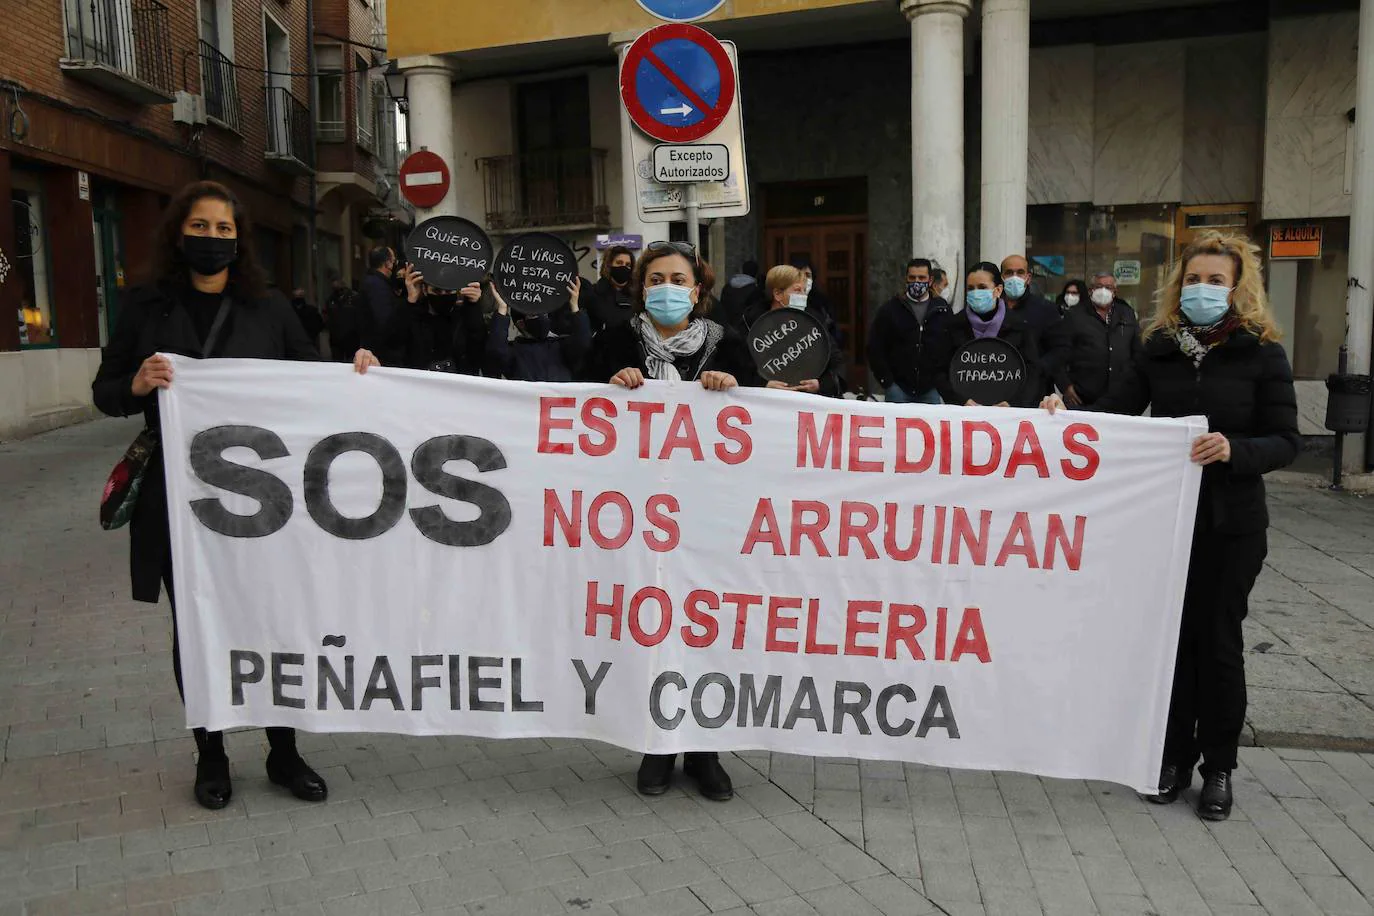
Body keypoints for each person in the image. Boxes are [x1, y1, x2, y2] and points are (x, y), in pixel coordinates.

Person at [91, 180, 380, 811]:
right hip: (178, 499)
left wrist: (357, 376)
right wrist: (136, 383)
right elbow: (105, 390)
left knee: (274, 619)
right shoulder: (145, 306)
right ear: (179, 233)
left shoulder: (270, 308)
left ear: (239, 240)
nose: (213, 239)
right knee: (194, 624)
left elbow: (312, 384)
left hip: (266, 503)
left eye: (224, 230)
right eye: (201, 227)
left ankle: (284, 749)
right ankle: (212, 752)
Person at [1042, 231, 1299, 821]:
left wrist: (1236, 449)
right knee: (1171, 644)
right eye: (1193, 278)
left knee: (1218, 643)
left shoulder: (1262, 351)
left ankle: (1220, 768)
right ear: (1177, 284)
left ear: (1238, 288)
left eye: (1215, 280)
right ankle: (1172, 758)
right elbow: (1118, 413)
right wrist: (1065, 415)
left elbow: (1285, 440)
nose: (1202, 289)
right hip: (1168, 523)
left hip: (1232, 524)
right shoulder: (1159, 347)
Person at [581, 241, 755, 802]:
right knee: (652, 626)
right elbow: (573, 404)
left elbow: (760, 423)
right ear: (641, 288)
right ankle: (657, 746)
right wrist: (612, 383)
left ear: (697, 289)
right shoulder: (614, 341)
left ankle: (704, 750)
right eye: (655, 278)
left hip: (709, 517)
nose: (665, 287)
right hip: (641, 517)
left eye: (677, 278)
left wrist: (734, 392)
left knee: (705, 628)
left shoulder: (729, 345)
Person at [932, 261, 1043, 407]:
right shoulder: (953, 325)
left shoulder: (1019, 326)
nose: (975, 293)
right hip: (965, 412)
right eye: (971, 288)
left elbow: (1032, 371)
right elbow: (940, 371)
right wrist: (961, 401)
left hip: (1008, 411)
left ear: (998, 290)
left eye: (982, 287)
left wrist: (1012, 403)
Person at [867, 258, 951, 404]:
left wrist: (942, 381)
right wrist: (887, 382)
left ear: (930, 280)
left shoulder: (942, 309)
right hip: (898, 390)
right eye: (912, 277)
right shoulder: (890, 309)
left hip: (931, 390)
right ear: (906, 279)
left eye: (921, 278)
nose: (916, 282)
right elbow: (875, 347)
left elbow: (950, 345)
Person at [755, 264, 845, 397]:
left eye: (804, 291)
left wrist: (821, 384)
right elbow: (740, 368)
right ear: (778, 294)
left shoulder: (813, 321)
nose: (803, 296)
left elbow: (836, 360)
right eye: (797, 291)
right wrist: (763, 384)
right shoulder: (752, 324)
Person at [1053, 273, 1140, 409]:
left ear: (1115, 292)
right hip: (1083, 399)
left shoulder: (1127, 314)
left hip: (1121, 398)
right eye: (1099, 286)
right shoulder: (1074, 315)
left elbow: (1137, 352)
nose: (1103, 290)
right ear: (1090, 290)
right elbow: (1058, 354)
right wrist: (1066, 386)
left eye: (1108, 287)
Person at [486, 279, 590, 381]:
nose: (541, 317)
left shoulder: (562, 347)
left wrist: (575, 306)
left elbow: (583, 342)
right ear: (521, 323)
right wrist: (502, 309)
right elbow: (496, 350)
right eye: (533, 315)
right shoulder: (515, 352)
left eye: (544, 313)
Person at [398, 269, 487, 373]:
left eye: (448, 291)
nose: (443, 295)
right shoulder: (414, 316)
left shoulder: (463, 317)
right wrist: (410, 302)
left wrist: (473, 306)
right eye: (437, 291)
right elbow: (394, 343)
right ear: (425, 290)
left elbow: (478, 347)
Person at [1000, 254, 1066, 393]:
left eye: (1020, 272)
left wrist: (1037, 369)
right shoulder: (993, 308)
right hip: (998, 386)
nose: (1014, 277)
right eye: (1009, 273)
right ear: (1002, 278)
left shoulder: (1046, 309)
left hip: (1036, 391)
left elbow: (1060, 349)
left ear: (1028, 278)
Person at [359, 245, 408, 366]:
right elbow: (385, 323)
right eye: (394, 261)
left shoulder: (375, 283)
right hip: (382, 355)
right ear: (388, 264)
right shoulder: (377, 286)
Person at [583, 246, 637, 334]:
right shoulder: (593, 294)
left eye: (628, 265)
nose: (624, 267)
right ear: (609, 265)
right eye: (619, 263)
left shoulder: (636, 296)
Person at [716, 258, 762, 338]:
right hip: (745, 331)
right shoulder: (755, 290)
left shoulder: (727, 286)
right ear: (756, 273)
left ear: (742, 270)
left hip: (727, 329)